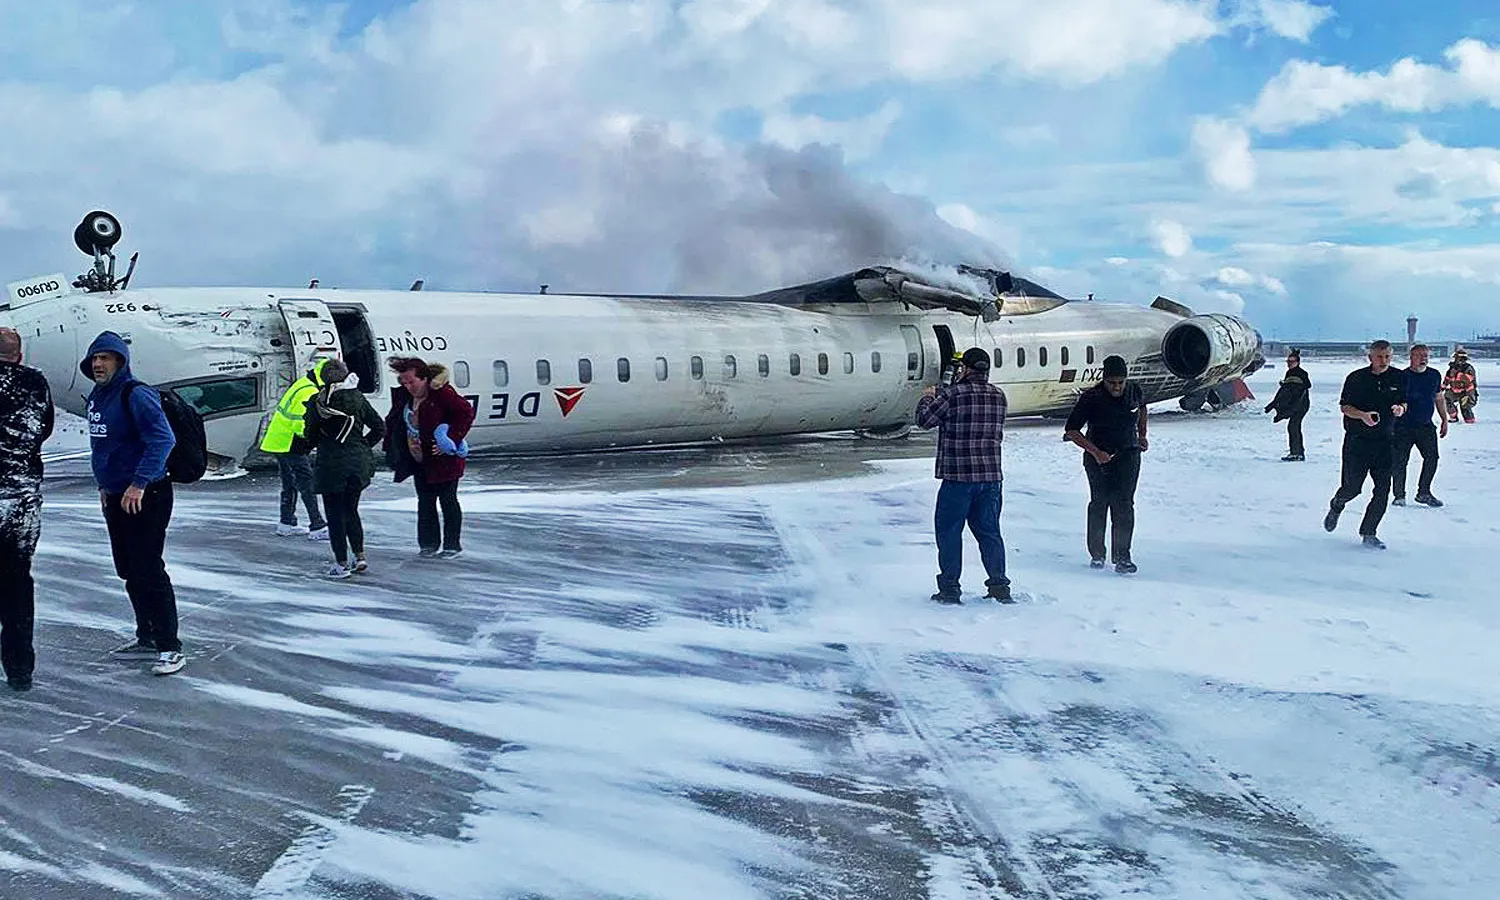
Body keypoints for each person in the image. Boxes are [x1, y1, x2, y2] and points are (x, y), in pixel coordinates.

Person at [82, 331, 184, 675]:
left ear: (121, 361)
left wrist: (139, 483)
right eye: (95, 359)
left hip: (145, 494)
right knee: (127, 568)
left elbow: (162, 439)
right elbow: (104, 448)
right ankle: (148, 636)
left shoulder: (136, 394)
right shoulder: (98, 396)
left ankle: (170, 646)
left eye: (106, 358)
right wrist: (105, 486)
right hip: (115, 495)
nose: (98, 364)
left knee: (148, 568)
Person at [915, 347, 1011, 604]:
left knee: (949, 532)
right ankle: (999, 586)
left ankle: (949, 589)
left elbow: (924, 420)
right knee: (990, 533)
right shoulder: (999, 396)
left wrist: (927, 397)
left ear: (966, 369)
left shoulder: (953, 395)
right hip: (991, 478)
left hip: (958, 478)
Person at [0, 328, 54, 691]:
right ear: (19, 355)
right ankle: (19, 670)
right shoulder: (34, 382)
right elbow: (44, 428)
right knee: (17, 583)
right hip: (20, 496)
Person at [383, 357, 475, 558]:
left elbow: (466, 413)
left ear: (424, 378)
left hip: (444, 461)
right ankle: (428, 544)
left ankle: (452, 545)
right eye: (403, 382)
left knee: (448, 500)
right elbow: (393, 421)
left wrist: (450, 439)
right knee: (425, 502)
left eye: (411, 381)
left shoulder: (442, 395)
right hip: (418, 460)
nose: (408, 386)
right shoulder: (404, 397)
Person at [1064, 355, 1147, 574]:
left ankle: (1123, 556)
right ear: (1104, 379)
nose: (1117, 387)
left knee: (1124, 504)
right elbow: (1071, 430)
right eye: (1112, 383)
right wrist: (1095, 452)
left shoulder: (1134, 391)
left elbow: (1142, 410)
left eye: (1120, 382)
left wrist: (1142, 435)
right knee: (1100, 503)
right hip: (1098, 457)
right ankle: (1097, 553)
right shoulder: (1092, 397)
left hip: (1128, 454)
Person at [304, 359, 384, 579]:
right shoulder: (358, 398)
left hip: (331, 463)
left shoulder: (318, 401)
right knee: (351, 510)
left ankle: (341, 562)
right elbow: (379, 427)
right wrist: (362, 446)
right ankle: (360, 556)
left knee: (334, 514)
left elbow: (309, 433)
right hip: (358, 464)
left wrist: (316, 441)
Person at [1323, 340, 1406, 549]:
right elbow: (1345, 407)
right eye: (1379, 356)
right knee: (1352, 488)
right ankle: (1338, 503)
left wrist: (1400, 409)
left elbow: (1404, 402)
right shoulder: (1356, 378)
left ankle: (1369, 532)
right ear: (1370, 357)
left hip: (1386, 442)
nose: (1383, 360)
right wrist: (1362, 416)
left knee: (1382, 490)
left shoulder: (1398, 377)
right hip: (1357, 442)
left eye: (1387, 356)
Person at [259, 358, 330, 539]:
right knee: (306, 482)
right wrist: (313, 439)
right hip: (291, 443)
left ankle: (287, 522)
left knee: (289, 482)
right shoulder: (309, 391)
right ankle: (317, 525)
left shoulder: (304, 383)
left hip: (279, 440)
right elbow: (301, 422)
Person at [1392, 343, 1449, 508]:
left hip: (1425, 425)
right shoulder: (1402, 377)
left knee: (1432, 458)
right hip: (1403, 426)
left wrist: (1444, 419)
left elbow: (1439, 398)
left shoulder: (1434, 375)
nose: (1423, 359)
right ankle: (1399, 495)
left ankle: (1424, 492)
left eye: (1426, 355)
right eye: (1419, 355)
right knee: (1400, 461)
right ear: (1411, 357)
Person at [1264, 349, 1311, 461]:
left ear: (1297, 362)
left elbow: (1303, 387)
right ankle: (1297, 452)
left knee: (1293, 427)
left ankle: (1297, 453)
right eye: (1288, 361)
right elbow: (1286, 390)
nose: (1289, 364)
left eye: (1292, 361)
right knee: (1293, 427)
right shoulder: (1290, 373)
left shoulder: (1301, 373)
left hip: (1300, 405)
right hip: (1296, 404)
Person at [1443, 347, 1478, 424]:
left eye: (1461, 359)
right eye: (1457, 358)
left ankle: (1470, 421)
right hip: (1454, 391)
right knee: (1446, 398)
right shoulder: (1451, 368)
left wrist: (1458, 374)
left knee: (1465, 406)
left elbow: (1468, 380)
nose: (1458, 360)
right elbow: (1447, 378)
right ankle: (1453, 416)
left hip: (1466, 392)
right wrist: (1443, 386)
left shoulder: (1468, 368)